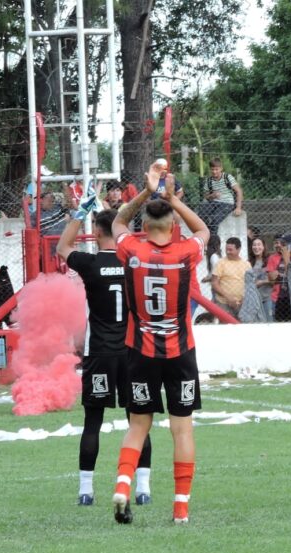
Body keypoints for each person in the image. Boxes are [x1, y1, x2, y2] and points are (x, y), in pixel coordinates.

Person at [109, 165, 209, 525]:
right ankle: (180, 507)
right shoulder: (185, 253)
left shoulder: (132, 250)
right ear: (171, 225)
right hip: (180, 353)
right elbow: (204, 230)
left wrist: (144, 193)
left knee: (138, 426)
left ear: (146, 227)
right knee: (181, 429)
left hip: (140, 352)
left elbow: (118, 223)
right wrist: (171, 199)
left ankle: (123, 485)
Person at [57, 209, 153, 507]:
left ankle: (86, 491)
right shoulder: (133, 262)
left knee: (92, 422)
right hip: (132, 353)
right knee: (137, 422)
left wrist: (78, 213)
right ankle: (143, 489)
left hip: (99, 353)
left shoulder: (90, 262)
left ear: (96, 233)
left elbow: (62, 248)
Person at [198, 157, 244, 233]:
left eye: (216, 169)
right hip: (213, 202)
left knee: (214, 220)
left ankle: (213, 241)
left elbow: (239, 191)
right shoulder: (209, 180)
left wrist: (238, 208)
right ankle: (205, 232)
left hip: (227, 203)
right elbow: (205, 196)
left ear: (221, 168)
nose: (214, 172)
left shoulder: (227, 177)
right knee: (201, 213)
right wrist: (212, 195)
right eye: (212, 169)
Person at [211, 237, 250, 317]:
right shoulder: (220, 263)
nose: (227, 252)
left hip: (242, 304)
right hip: (224, 303)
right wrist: (228, 297)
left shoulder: (246, 265)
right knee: (225, 327)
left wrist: (244, 299)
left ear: (239, 249)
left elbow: (250, 284)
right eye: (226, 249)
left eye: (230, 250)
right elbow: (214, 283)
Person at [250, 237, 274, 320]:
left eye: (259, 245)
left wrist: (261, 282)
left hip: (267, 298)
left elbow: (274, 279)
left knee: (269, 322)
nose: (256, 247)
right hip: (253, 300)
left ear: (264, 247)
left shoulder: (270, 260)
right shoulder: (249, 262)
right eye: (254, 245)